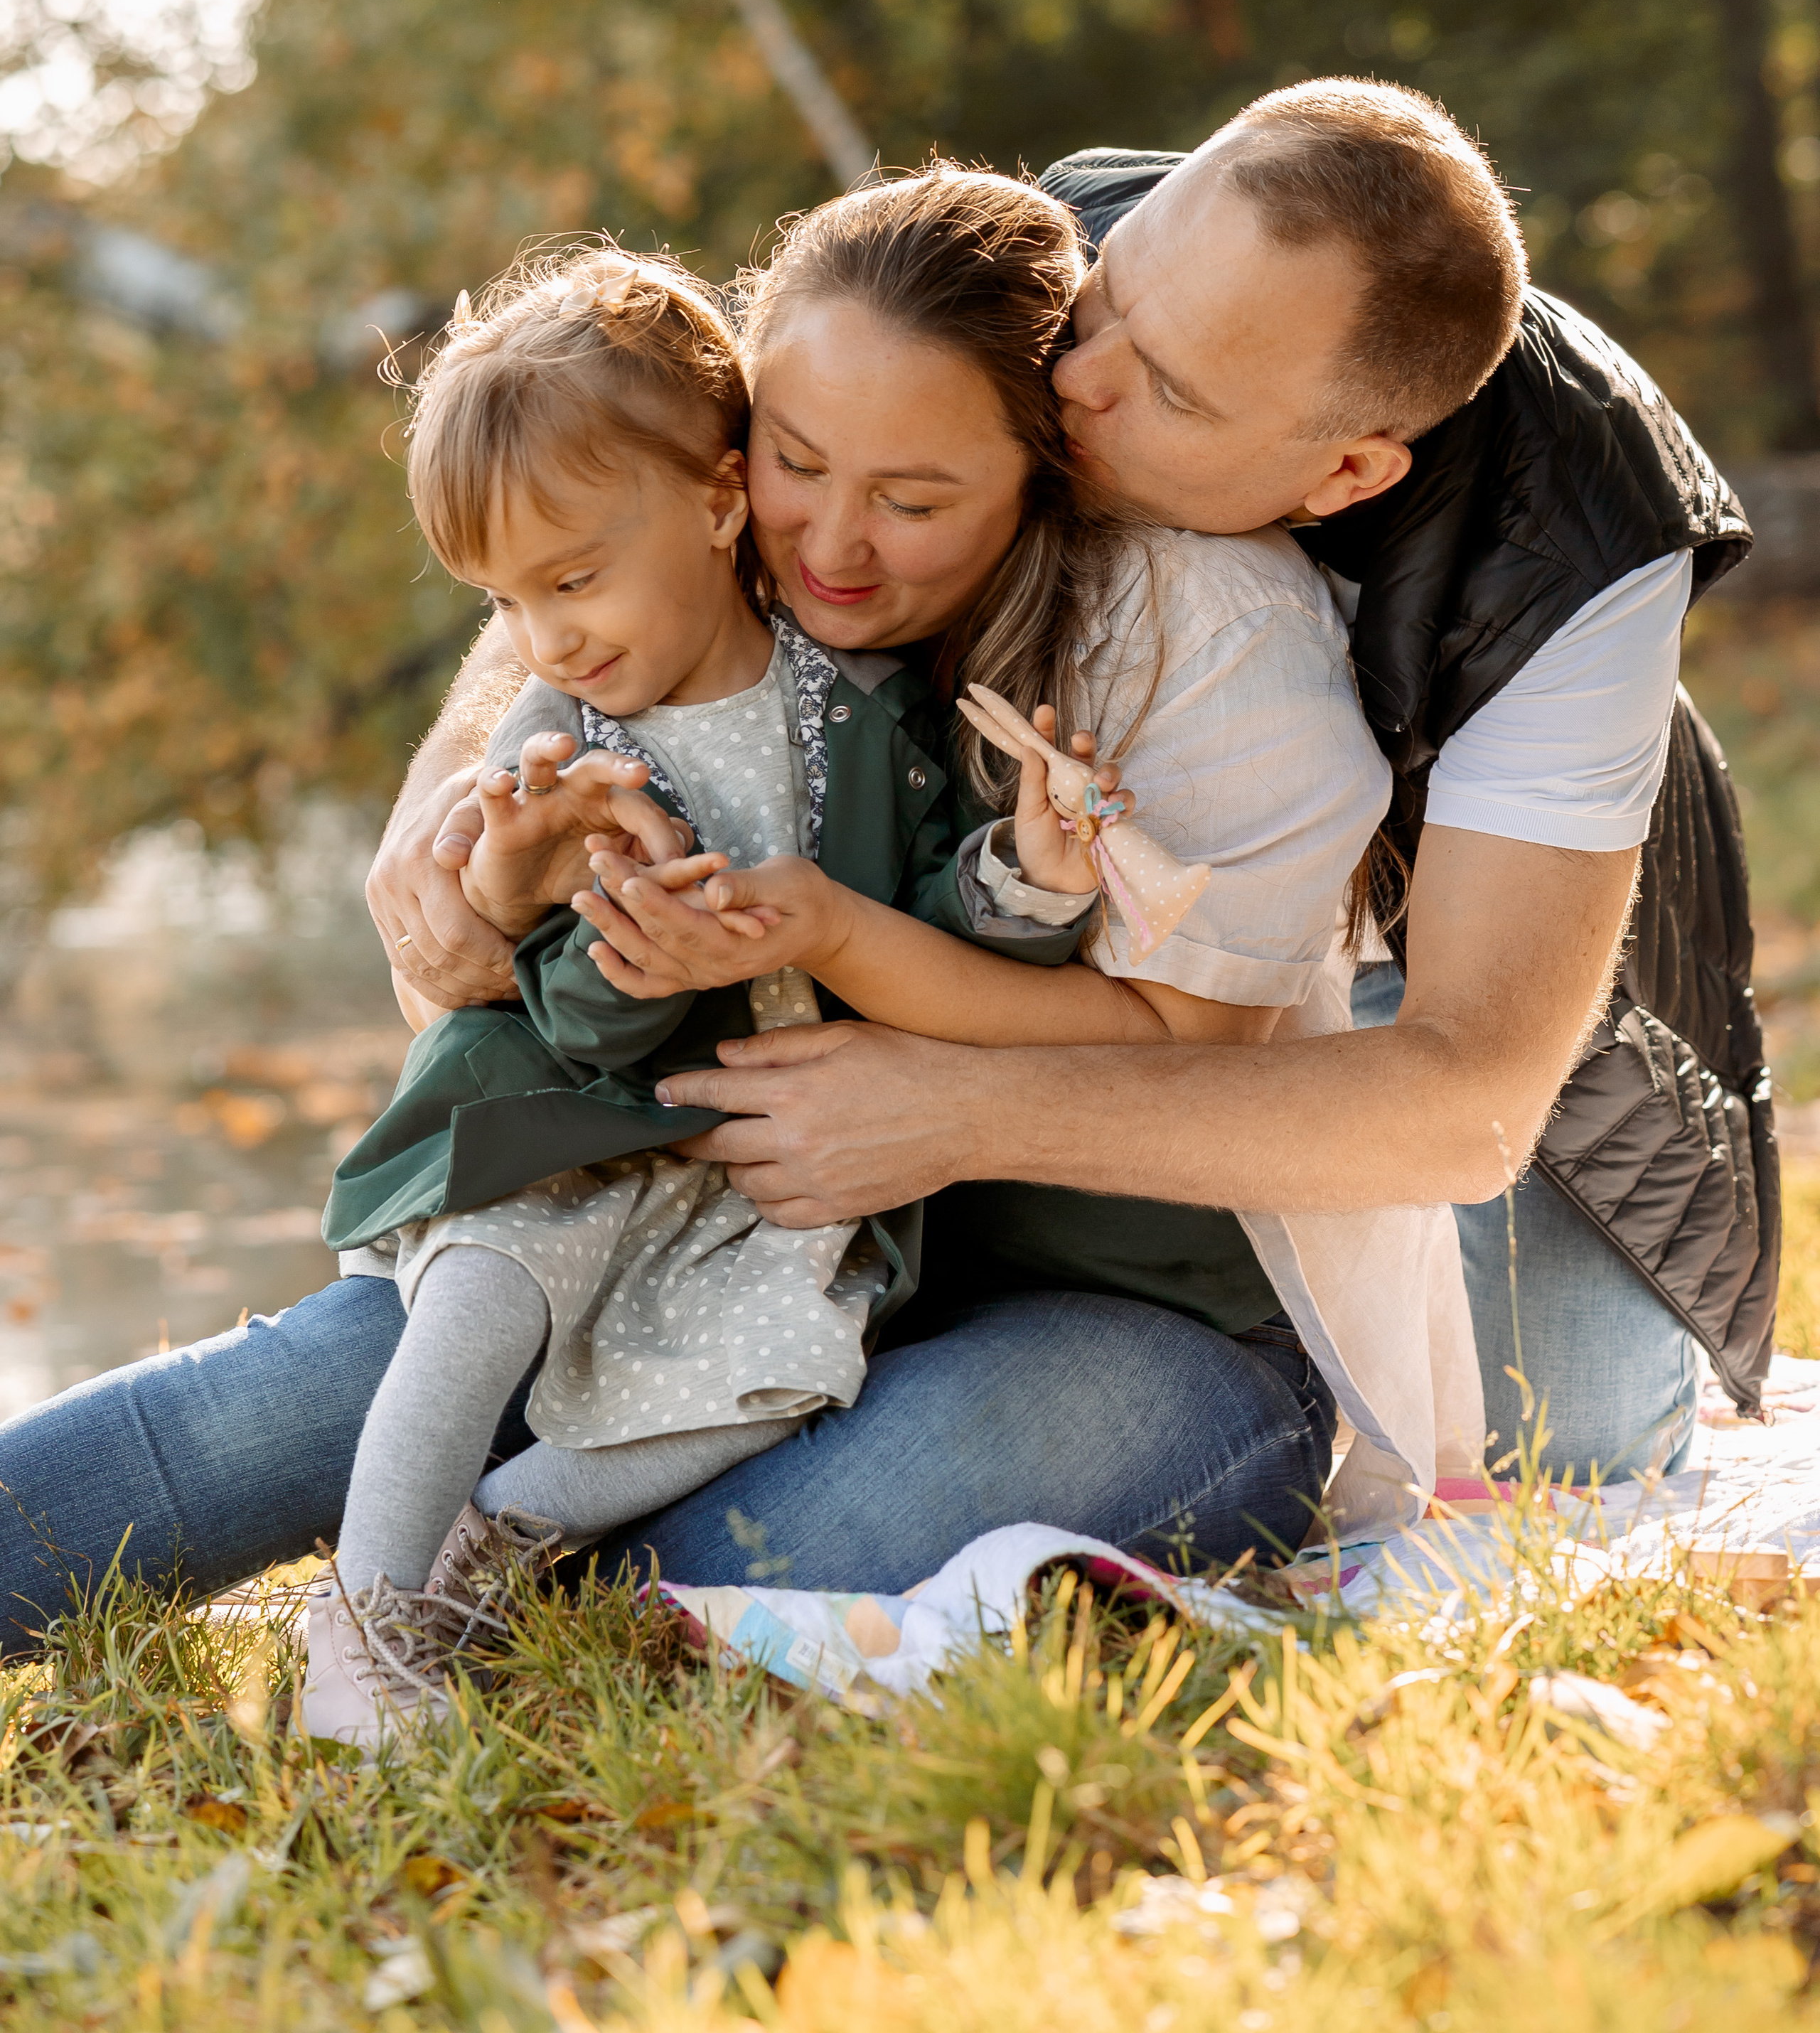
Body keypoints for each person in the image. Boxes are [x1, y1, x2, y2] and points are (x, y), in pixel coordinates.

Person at [0, 163, 1413, 1650]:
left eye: (916, 500)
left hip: (1113, 1314)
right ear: (731, 456)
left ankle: (437, 1616)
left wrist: (917, 1073)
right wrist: (468, 854)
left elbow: (1185, 1036)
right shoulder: (744, 547)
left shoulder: (1193, 633)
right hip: (724, 1240)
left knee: (726, 1569)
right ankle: (408, 1584)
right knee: (316, 1391)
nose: (828, 548)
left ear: (1047, 460)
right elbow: (568, 562)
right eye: (794, 464)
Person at [648, 84, 1771, 1488]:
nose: (1076, 378)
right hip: (1155, 880)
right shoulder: (1087, 259)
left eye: (1168, 390)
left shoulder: (1576, 555)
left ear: (1345, 471)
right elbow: (735, 444)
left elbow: (1467, 1102)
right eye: (1108, 303)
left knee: (1558, 1439)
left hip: (1479, 912)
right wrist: (452, 776)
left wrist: (953, 1108)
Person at [301, 230, 1108, 1745]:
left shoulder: (853, 710)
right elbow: (553, 1017)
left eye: (574, 580)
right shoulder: (556, 749)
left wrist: (1033, 879)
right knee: (480, 1306)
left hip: (760, 1181)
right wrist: (592, 929)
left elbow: (931, 920)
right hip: (574, 1135)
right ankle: (361, 1621)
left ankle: (492, 1553)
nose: (548, 637)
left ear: (718, 498)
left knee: (780, 1376)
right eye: (508, 600)